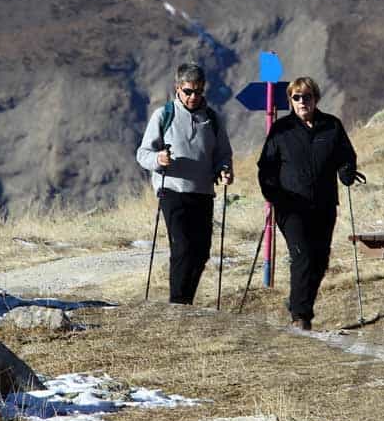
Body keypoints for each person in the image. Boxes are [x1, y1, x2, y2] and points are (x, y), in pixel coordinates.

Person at [257, 76, 362, 330]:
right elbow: (266, 167)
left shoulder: (331, 126)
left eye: (307, 97)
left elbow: (346, 156)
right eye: (296, 97)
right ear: (290, 101)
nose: (302, 102)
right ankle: (300, 318)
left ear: (316, 99)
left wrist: (347, 171)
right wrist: (273, 194)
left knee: (319, 259)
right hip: (290, 206)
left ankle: (297, 303)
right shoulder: (281, 130)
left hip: (324, 204)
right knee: (302, 255)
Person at [137, 62, 234, 304]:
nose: (193, 97)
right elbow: (143, 154)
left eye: (198, 91)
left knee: (201, 252)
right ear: (177, 88)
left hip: (202, 192)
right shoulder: (164, 115)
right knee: (182, 248)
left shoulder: (212, 119)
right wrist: (159, 159)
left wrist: (224, 170)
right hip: (171, 190)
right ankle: (177, 303)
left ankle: (186, 302)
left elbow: (223, 154)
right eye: (188, 91)